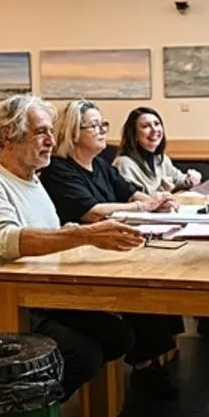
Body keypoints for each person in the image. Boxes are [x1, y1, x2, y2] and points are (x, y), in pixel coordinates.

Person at [0, 93, 147, 400]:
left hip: (41, 294)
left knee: (120, 336)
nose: (50, 140)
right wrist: (83, 235)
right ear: (8, 138)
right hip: (1, 306)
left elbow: (50, 234)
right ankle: (20, 412)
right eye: (41, 132)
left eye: (50, 131)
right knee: (83, 355)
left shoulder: (33, 181)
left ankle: (36, 400)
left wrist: (79, 234)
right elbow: (7, 241)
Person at [40, 99, 185, 400]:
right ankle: (145, 367)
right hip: (78, 263)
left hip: (111, 252)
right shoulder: (59, 170)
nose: (102, 130)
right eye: (94, 125)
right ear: (73, 133)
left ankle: (153, 361)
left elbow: (129, 192)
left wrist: (157, 200)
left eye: (103, 124)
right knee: (137, 294)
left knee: (155, 284)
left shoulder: (102, 165)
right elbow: (92, 212)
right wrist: (142, 205)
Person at [112, 106, 202, 194]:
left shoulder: (161, 159)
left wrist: (189, 179)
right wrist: (163, 190)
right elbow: (133, 199)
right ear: (133, 134)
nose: (154, 130)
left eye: (156, 124)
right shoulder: (123, 163)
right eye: (145, 126)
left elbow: (177, 179)